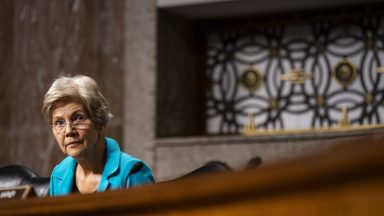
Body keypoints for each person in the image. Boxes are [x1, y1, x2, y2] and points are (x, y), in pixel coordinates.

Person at [42, 75, 154, 196]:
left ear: (100, 122)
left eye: (79, 118)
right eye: (59, 122)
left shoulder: (132, 174)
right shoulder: (59, 175)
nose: (69, 131)